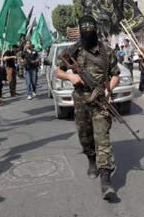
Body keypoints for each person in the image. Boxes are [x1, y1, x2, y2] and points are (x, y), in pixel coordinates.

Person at [56, 15, 120, 201]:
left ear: (95, 30)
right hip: (81, 102)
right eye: (85, 31)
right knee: (85, 137)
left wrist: (109, 90)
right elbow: (58, 71)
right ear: (81, 32)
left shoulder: (106, 51)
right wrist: (71, 77)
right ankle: (91, 159)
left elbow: (115, 74)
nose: (88, 34)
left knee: (103, 139)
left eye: (90, 30)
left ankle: (106, 180)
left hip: (101, 102)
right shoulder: (73, 50)